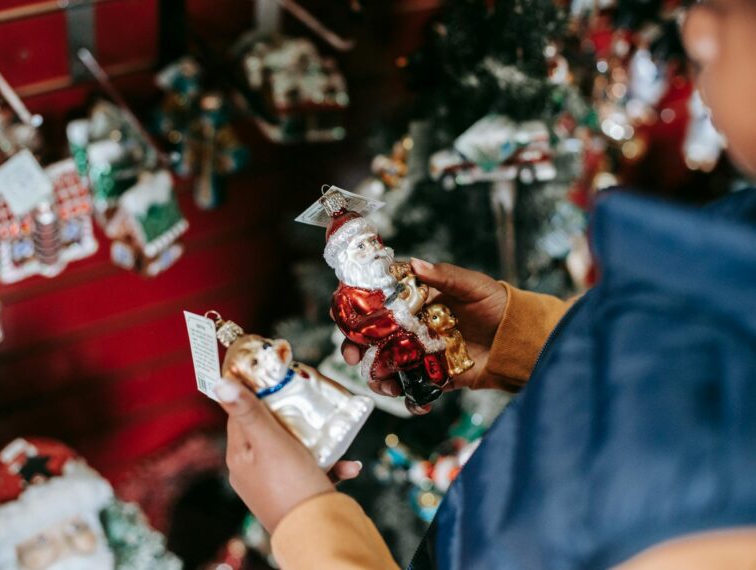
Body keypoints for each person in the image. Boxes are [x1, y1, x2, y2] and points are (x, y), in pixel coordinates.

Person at [213, 1, 756, 568]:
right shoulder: (732, 239)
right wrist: (526, 336)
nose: (696, 28)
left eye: (732, 5)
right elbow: (662, 370)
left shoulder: (716, 505)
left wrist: (305, 519)